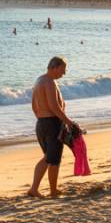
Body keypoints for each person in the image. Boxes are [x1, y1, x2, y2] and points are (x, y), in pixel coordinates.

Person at [28, 56, 74, 198]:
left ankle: (49, 189)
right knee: (52, 159)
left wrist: (42, 121)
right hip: (51, 123)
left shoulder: (39, 81)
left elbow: (34, 107)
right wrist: (68, 121)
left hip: (42, 123)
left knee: (50, 158)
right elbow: (54, 106)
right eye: (62, 70)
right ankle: (40, 190)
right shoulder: (48, 82)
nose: (64, 73)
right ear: (53, 67)